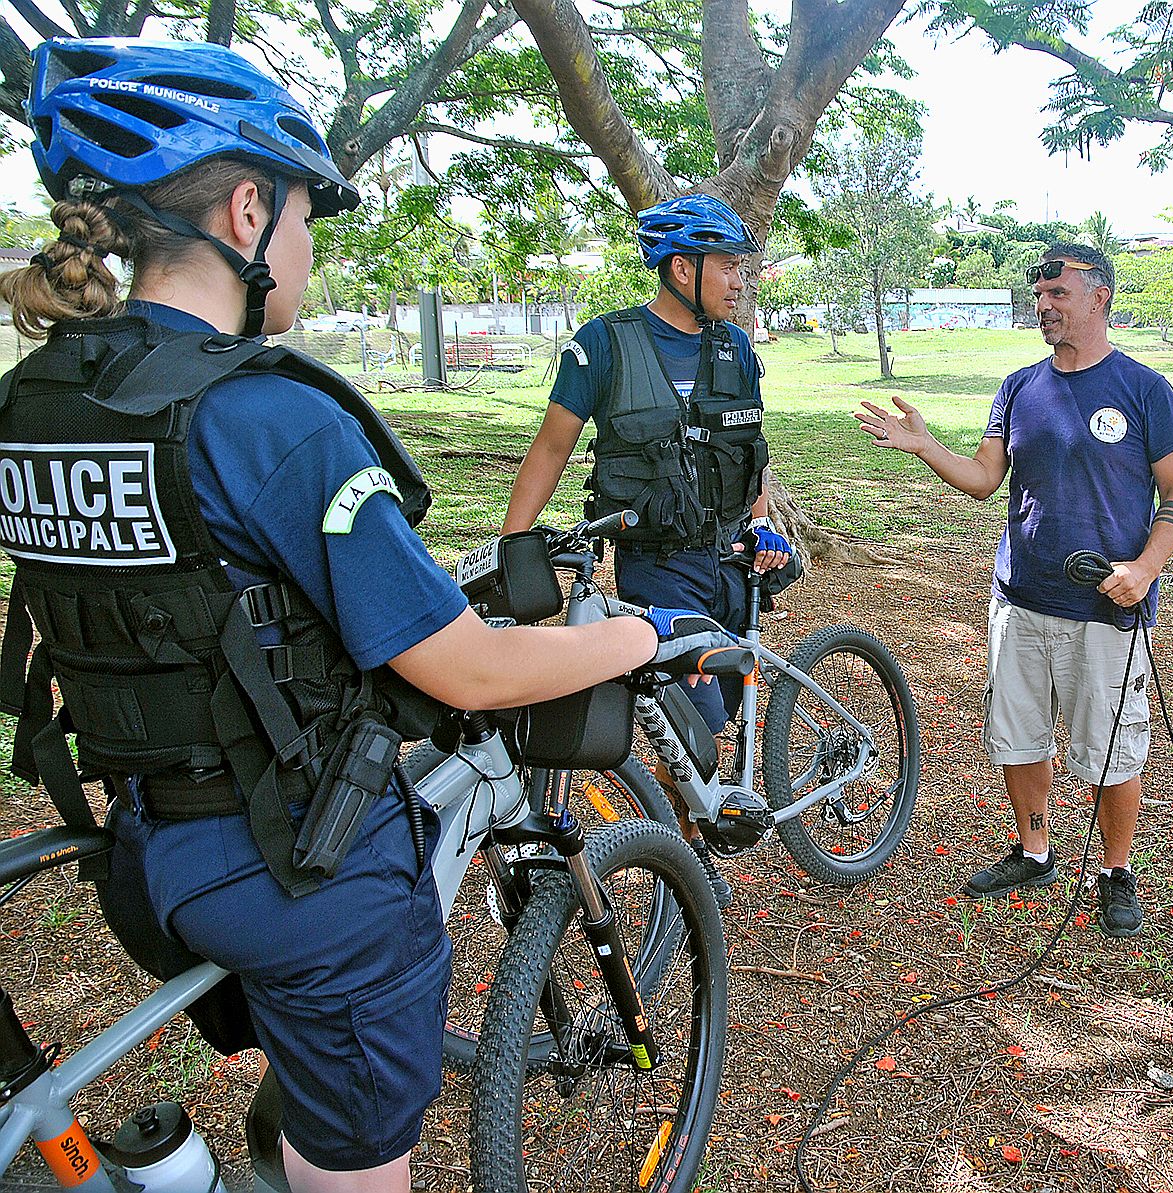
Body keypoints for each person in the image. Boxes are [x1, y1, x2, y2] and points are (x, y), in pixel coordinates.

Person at [0, 37, 731, 1193]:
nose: (305, 247)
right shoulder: (265, 416)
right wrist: (638, 633)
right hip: (302, 877)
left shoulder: (38, 400)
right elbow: (470, 670)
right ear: (247, 210)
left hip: (146, 846)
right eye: (304, 216)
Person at [854, 243, 1173, 938]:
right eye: (1039, 295)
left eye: (1058, 295)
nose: (1043, 306)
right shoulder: (1019, 387)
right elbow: (984, 478)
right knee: (1018, 739)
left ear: (1098, 297)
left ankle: (1115, 871)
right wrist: (924, 446)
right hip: (1021, 600)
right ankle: (1034, 848)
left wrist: (1147, 568)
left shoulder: (1145, 390)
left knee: (1109, 749)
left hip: (1106, 610)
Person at [502, 193, 795, 891]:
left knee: (715, 714)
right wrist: (513, 546)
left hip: (727, 557)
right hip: (656, 564)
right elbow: (550, 449)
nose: (737, 280)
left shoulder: (737, 347)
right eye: (726, 266)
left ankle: (700, 829)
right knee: (682, 717)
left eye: (740, 268)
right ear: (680, 268)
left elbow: (750, 449)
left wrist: (760, 522)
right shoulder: (603, 344)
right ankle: (687, 859)